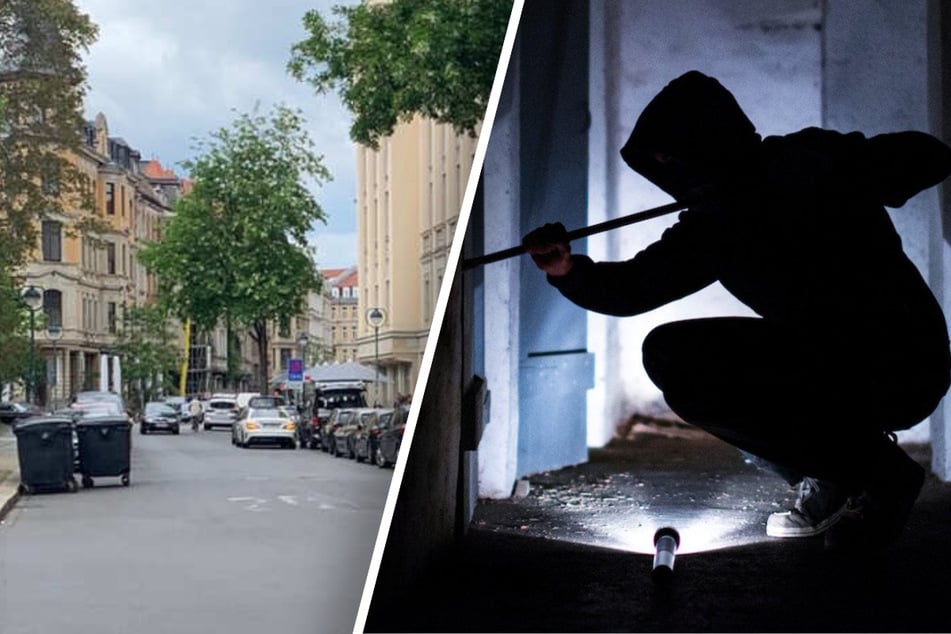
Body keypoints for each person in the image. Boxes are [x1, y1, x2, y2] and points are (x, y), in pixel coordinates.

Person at [522, 70, 951, 552]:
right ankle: (839, 469)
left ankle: (876, 475)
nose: (673, 174)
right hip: (822, 367)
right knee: (671, 355)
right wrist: (565, 269)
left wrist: (829, 169)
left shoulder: (808, 159)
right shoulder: (716, 224)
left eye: (674, 158)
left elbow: (929, 157)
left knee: (723, 360)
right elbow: (631, 289)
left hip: (905, 358)